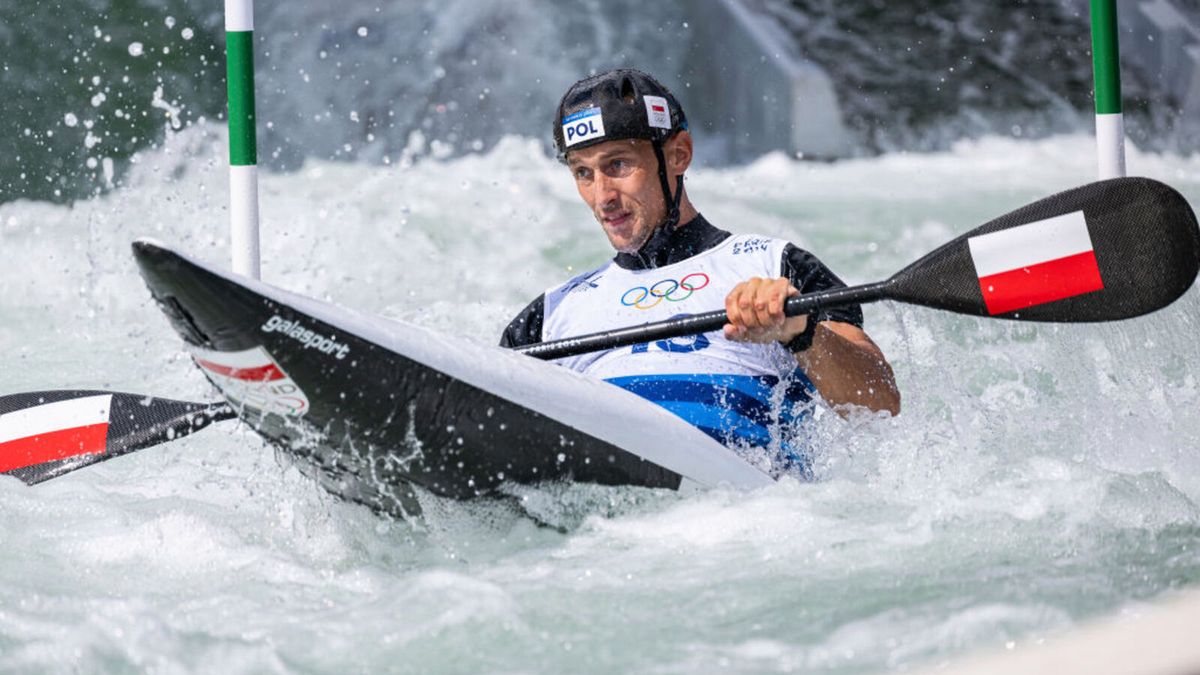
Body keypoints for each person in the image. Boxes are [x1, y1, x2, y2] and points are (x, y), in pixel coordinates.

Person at [501, 69, 899, 473]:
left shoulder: (775, 266)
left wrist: (801, 330)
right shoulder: (549, 316)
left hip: (744, 514)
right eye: (583, 173)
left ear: (678, 154)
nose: (602, 196)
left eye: (617, 164)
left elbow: (881, 405)